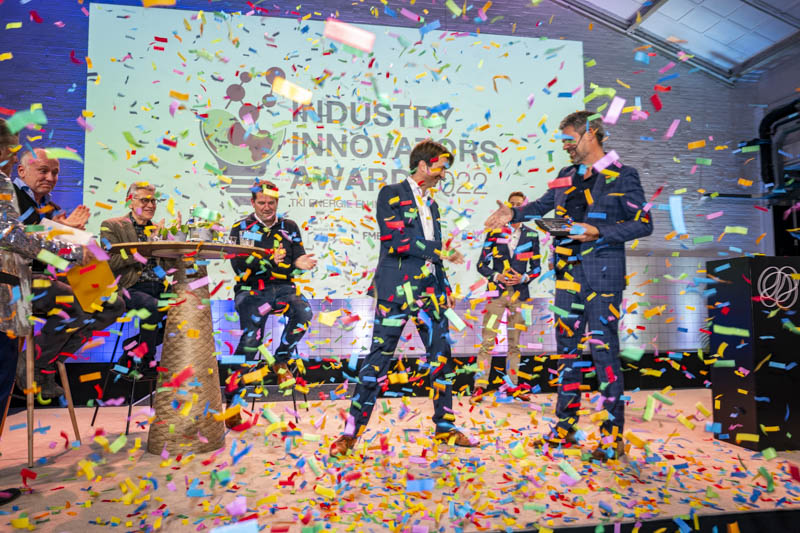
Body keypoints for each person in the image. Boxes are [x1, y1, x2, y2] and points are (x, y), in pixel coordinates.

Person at [485, 110, 653, 461]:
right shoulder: (565, 175)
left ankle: (611, 438)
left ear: (590, 133)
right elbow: (542, 206)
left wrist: (597, 231)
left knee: (605, 355)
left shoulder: (624, 175)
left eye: (568, 139)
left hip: (603, 278)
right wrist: (513, 214)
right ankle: (565, 428)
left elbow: (643, 223)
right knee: (568, 355)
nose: (565, 146)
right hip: (566, 278)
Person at [330, 139, 477, 456]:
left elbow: (433, 255)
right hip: (395, 290)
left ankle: (445, 427)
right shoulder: (391, 193)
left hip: (431, 293)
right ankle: (350, 434)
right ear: (423, 165)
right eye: (441, 168)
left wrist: (445, 286)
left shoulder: (432, 205)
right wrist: (441, 251)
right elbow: (396, 240)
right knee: (376, 362)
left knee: (442, 361)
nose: (444, 174)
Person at [0, 119, 89, 506]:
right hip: (8, 292)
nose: (8, 159)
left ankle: (43, 365)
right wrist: (67, 241)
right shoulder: (5, 187)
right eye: (8, 152)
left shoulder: (36, 201)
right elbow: (13, 238)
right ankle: (35, 367)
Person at [14, 148, 125, 399]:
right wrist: (62, 228)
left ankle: (48, 362)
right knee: (72, 303)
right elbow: (18, 238)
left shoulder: (49, 207)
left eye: (55, 173)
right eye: (43, 170)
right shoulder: (10, 197)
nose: (50, 177)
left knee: (113, 304)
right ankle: (31, 364)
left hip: (44, 278)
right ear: (22, 170)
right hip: (16, 279)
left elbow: (52, 254)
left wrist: (78, 243)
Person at [226, 180, 316, 428]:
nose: (267, 207)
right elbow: (239, 266)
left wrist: (300, 263)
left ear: (277, 202)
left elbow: (297, 258)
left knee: (304, 312)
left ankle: (280, 360)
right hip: (251, 290)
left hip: (284, 289)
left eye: (271, 202)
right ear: (252, 202)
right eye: (262, 202)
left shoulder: (290, 226)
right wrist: (268, 260)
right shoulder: (240, 228)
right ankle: (232, 405)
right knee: (250, 341)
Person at [101, 183, 178, 376]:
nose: (151, 205)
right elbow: (110, 262)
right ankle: (146, 360)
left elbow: (167, 271)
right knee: (153, 307)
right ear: (130, 202)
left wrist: (171, 242)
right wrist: (145, 247)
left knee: (185, 311)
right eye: (145, 200)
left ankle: (132, 347)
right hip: (128, 288)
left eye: (153, 201)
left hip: (158, 286)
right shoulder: (112, 225)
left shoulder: (158, 230)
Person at [473, 191, 540, 404]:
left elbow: (537, 268)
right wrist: (496, 276)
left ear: (525, 208)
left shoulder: (532, 235)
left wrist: (524, 277)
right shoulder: (494, 233)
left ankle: (513, 386)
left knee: (515, 344)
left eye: (519, 204)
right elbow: (481, 264)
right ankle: (479, 386)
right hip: (496, 295)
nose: (515, 207)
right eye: (512, 204)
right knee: (487, 341)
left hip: (520, 295)